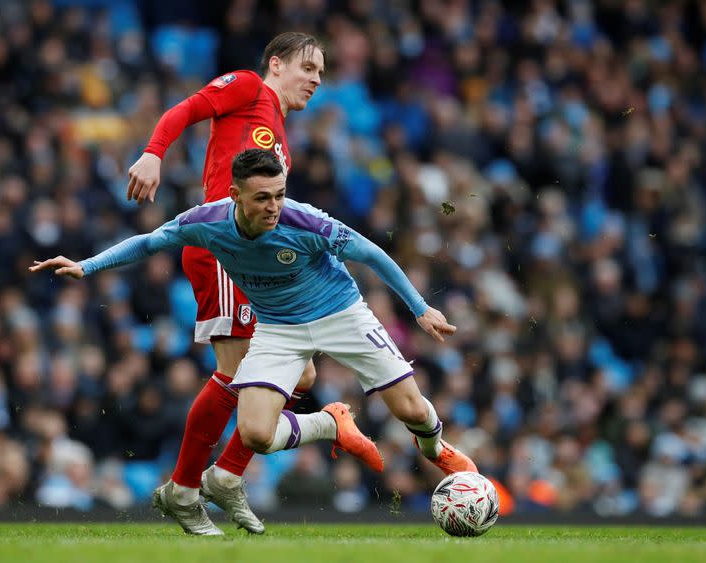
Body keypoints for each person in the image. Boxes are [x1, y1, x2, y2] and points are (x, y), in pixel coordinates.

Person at [30, 149, 479, 528]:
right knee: (257, 434)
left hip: (341, 313)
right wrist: (87, 266)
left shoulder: (306, 222)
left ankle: (435, 447)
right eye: (262, 198)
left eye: (280, 195)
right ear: (235, 196)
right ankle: (327, 423)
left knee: (411, 410)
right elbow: (150, 242)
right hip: (278, 329)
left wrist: (420, 309)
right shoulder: (207, 222)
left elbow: (373, 254)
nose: (273, 207)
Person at [125, 33, 325, 535]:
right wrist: (154, 153)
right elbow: (186, 110)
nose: (317, 80)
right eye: (309, 68)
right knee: (236, 372)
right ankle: (185, 488)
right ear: (276, 64)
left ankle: (226, 474)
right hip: (223, 247)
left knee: (301, 375)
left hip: (258, 257)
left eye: (321, 72)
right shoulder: (247, 87)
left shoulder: (277, 128)